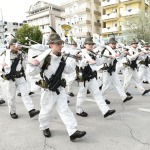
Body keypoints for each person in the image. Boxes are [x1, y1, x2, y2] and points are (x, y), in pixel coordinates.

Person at [28, 33, 86, 141]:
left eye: (61, 43)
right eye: (58, 44)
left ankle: (72, 131)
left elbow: (68, 70)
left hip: (59, 89)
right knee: (45, 111)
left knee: (65, 110)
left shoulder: (62, 58)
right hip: (48, 91)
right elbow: (31, 72)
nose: (60, 46)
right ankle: (45, 127)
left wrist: (74, 59)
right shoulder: (45, 58)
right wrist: (31, 62)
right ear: (51, 45)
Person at [75, 36, 116, 118]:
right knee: (82, 95)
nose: (90, 45)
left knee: (97, 94)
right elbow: (80, 64)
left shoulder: (92, 53)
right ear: (85, 45)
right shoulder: (82, 53)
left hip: (92, 77)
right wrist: (86, 60)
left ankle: (105, 111)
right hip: (84, 78)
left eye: (91, 44)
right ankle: (79, 110)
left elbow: (99, 62)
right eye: (88, 44)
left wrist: (107, 57)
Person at [0, 38, 40, 119]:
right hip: (10, 78)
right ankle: (12, 111)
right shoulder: (4, 54)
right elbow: (0, 64)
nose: (17, 47)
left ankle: (31, 110)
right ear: (11, 45)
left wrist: (34, 62)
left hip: (20, 77)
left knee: (25, 94)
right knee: (11, 97)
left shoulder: (21, 54)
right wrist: (2, 67)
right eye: (15, 45)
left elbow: (28, 61)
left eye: (17, 45)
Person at [100, 38, 133, 103]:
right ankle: (102, 98)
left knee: (118, 84)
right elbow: (104, 59)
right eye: (112, 44)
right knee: (106, 86)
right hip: (107, 70)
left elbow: (119, 57)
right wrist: (111, 56)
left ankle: (124, 97)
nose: (114, 45)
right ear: (109, 44)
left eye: (115, 43)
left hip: (113, 69)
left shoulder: (114, 50)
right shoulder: (106, 50)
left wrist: (124, 53)